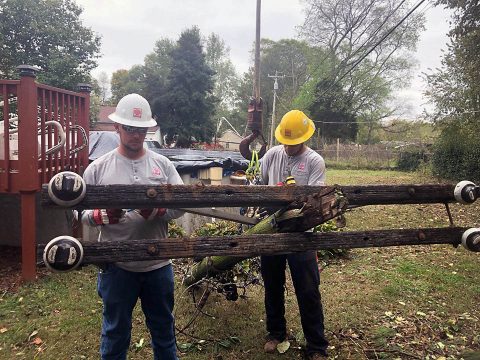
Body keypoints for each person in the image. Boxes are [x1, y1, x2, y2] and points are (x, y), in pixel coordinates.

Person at [81, 93, 184, 360]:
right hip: (116, 266)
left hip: (157, 264)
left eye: (141, 129)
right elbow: (77, 210)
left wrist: (159, 210)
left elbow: (183, 204)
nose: (135, 135)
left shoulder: (162, 165)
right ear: (116, 127)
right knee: (115, 332)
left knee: (163, 330)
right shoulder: (98, 169)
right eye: (129, 128)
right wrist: (100, 215)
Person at [260, 110, 329, 360]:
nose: (288, 148)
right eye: (285, 142)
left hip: (303, 234)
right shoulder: (270, 156)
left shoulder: (314, 162)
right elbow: (258, 188)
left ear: (304, 138)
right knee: (272, 285)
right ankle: (275, 333)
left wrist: (294, 199)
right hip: (272, 230)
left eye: (293, 143)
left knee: (308, 290)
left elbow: (317, 202)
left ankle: (317, 346)